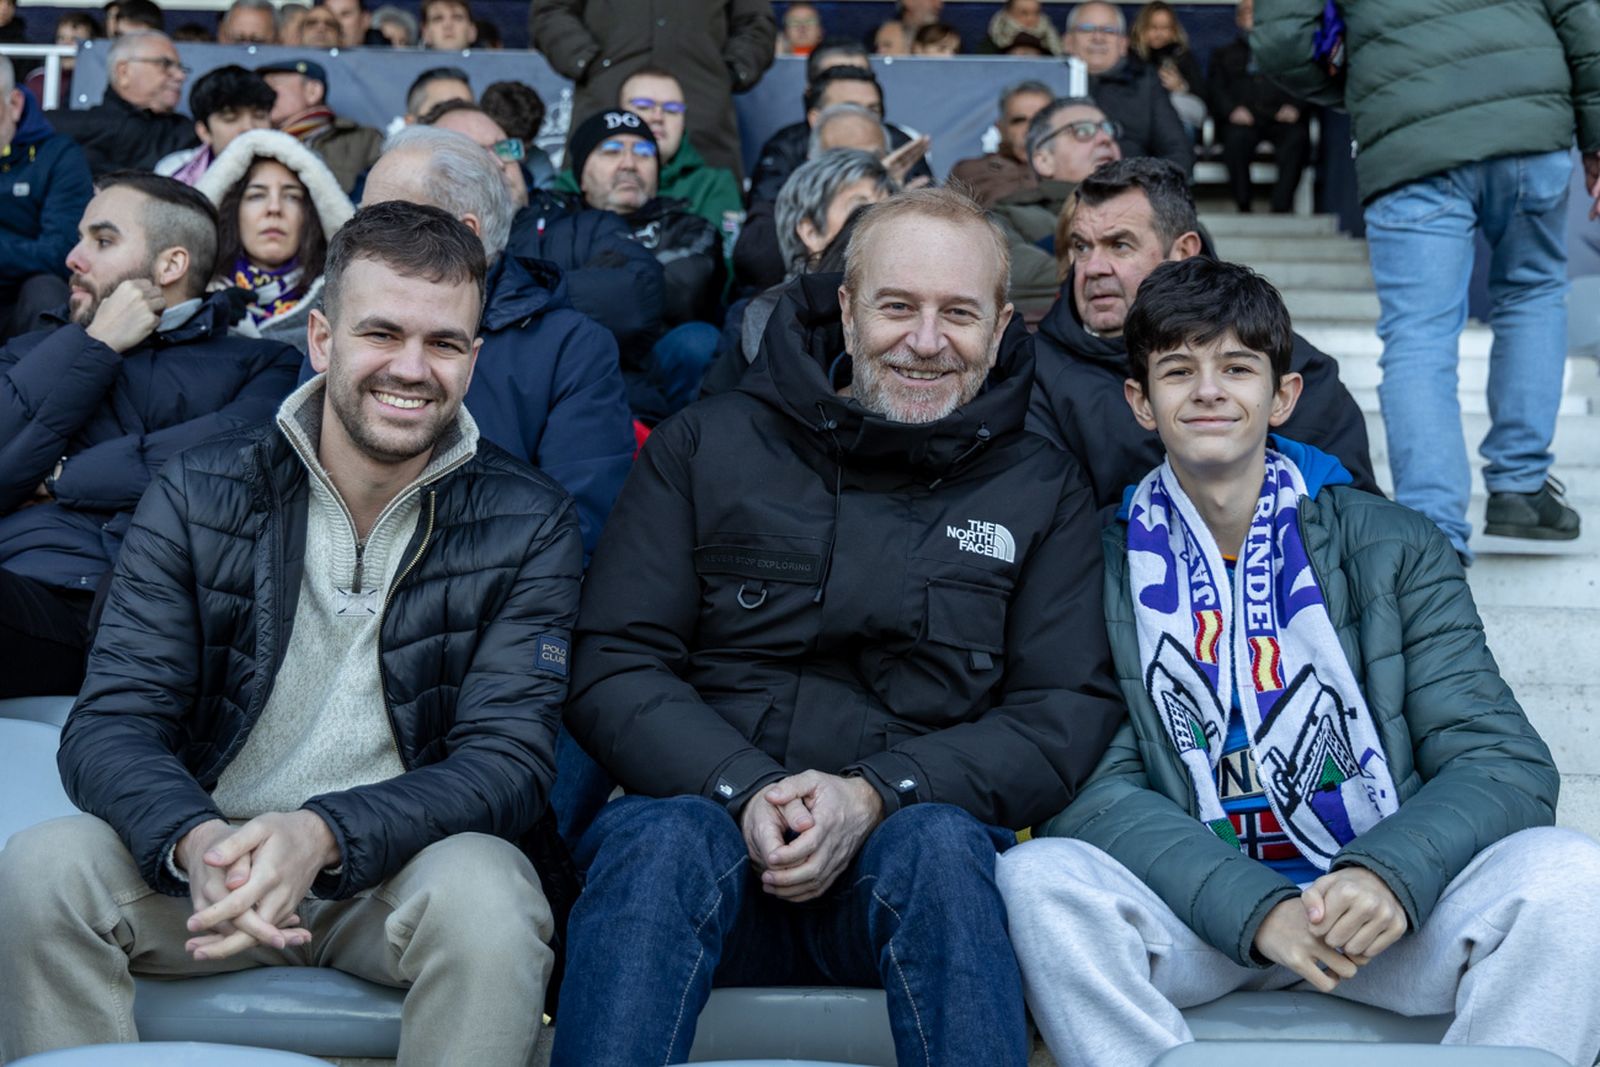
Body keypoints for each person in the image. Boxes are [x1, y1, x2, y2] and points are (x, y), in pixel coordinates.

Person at [551, 186, 1124, 1067]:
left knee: (940, 844)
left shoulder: (1041, 487)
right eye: (899, 306)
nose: (926, 341)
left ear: (1004, 326)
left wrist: (877, 794)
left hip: (909, 864)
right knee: (659, 838)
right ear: (849, 308)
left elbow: (1060, 714)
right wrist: (740, 786)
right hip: (703, 834)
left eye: (958, 314)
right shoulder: (707, 444)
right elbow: (616, 662)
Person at [0, 200, 582, 1066]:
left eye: (445, 343)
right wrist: (191, 838)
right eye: (382, 332)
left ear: (474, 356)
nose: (412, 368)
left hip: (393, 871)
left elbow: (509, 760)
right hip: (208, 860)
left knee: (495, 899)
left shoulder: (529, 520)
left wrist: (324, 834)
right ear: (320, 339)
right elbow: (112, 719)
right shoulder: (202, 489)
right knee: (41, 868)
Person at [999, 254, 1600, 1067]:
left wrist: (1388, 873)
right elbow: (1091, 788)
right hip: (1199, 921)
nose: (1208, 390)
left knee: (1569, 876)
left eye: (1237, 367)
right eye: (1178, 370)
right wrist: (1258, 909)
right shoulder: (1093, 561)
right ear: (1141, 401)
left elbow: (1500, 759)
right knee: (1040, 879)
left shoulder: (1391, 545)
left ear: (1282, 395)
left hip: (1379, 916)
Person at [1255, 0, 1596, 555]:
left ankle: (1434, 531)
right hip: (1529, 117)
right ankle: (1519, 483)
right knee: (1531, 292)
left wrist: (1376, 85)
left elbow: (1280, 39)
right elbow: (1584, 19)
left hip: (1409, 131)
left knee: (1419, 331)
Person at [0, 172, 301, 698]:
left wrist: (59, 475)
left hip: (143, 612)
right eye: (79, 239)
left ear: (170, 265)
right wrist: (96, 344)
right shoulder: (31, 351)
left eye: (103, 240)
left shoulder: (267, 364)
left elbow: (216, 470)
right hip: (23, 588)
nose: (73, 257)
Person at [1027, 157, 1375, 506]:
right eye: (1081, 247)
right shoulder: (1034, 371)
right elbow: (1052, 525)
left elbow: (1350, 518)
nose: (1093, 268)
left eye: (1120, 245)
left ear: (1183, 251)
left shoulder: (1291, 364)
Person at [364, 126, 635, 556]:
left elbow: (574, 532)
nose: (359, 243)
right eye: (360, 221)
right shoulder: (348, 325)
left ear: (464, 233)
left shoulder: (573, 350)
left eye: (387, 222)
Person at [570, 108, 724, 418]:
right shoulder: (556, 224)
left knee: (698, 341)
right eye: (612, 151)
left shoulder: (688, 226)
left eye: (643, 152)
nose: (629, 163)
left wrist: (591, 284)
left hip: (658, 364)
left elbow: (687, 288)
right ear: (581, 176)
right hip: (576, 362)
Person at [702, 148, 894, 395]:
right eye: (861, 209)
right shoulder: (761, 315)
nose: (879, 224)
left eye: (886, 209)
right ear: (810, 232)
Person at [530, 0, 777, 179]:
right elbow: (551, 10)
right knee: (586, 227)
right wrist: (587, 62)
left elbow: (757, 21)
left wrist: (726, 73)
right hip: (606, 106)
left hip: (702, 118)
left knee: (713, 228)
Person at [197, 129, 353, 350]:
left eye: (291, 196)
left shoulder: (339, 307)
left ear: (313, 212)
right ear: (231, 211)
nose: (274, 209)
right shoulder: (193, 302)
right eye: (257, 195)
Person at [994, 96, 1121, 317]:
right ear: (1044, 160)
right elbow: (1019, 280)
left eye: (1107, 129)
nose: (1105, 139)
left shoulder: (1158, 208)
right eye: (1082, 131)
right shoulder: (1005, 218)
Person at [0, 59, 93, 341]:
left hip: (22, 296)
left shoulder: (58, 155)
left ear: (14, 104)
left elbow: (62, 250)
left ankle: (40, 382)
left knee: (47, 292)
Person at [609, 67, 743, 238]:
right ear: (617, 114)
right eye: (643, 106)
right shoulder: (585, 178)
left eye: (672, 109)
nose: (657, 117)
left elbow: (720, 260)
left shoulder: (712, 185)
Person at [1062, 2, 1191, 176]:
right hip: (1060, 192)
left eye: (1108, 30)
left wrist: (1144, 189)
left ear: (1123, 44)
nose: (1098, 37)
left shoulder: (1146, 83)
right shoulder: (1048, 84)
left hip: (1130, 188)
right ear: (1068, 41)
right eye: (1087, 29)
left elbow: (1178, 151)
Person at [1207, 0, 1308, 213]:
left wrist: (1295, 106)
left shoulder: (1286, 51)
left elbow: (1304, 82)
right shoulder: (1224, 54)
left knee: (1297, 137)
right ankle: (1243, 204)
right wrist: (1231, 110)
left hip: (1279, 118)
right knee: (1235, 139)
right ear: (1238, 19)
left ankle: (1281, 207)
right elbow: (1215, 89)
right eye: (1247, 12)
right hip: (1243, 119)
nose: (1253, 16)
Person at [51, 31, 196, 176]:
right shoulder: (65, 127)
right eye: (165, 64)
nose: (180, 76)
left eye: (180, 68)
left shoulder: (190, 134)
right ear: (123, 72)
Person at [260, 59, 385, 195]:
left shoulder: (365, 140)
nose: (264, 97)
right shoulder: (258, 144)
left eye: (272, 88)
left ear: (313, 91)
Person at [154, 65, 277, 185]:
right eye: (231, 119)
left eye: (260, 116)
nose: (249, 128)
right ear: (204, 132)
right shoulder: (175, 171)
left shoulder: (289, 168)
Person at [950, 80, 1054, 208]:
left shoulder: (1073, 172)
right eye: (1019, 121)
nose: (1029, 129)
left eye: (1040, 120)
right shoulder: (969, 173)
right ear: (1000, 127)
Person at [1130, 1, 1207, 136]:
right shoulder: (1132, 57)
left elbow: (1203, 98)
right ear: (1142, 28)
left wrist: (1181, 87)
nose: (1159, 34)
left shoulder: (1182, 56)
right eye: (1153, 28)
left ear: (1173, 30)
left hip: (1177, 118)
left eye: (1165, 28)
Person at [481, 81, 557, 191]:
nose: (520, 155)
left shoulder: (539, 163)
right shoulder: (467, 154)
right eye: (509, 144)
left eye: (525, 147)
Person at [25, 13, 99, 109]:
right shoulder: (38, 80)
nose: (66, 44)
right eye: (61, 38)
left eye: (75, 39)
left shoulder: (102, 82)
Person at [982, 0, 1063, 54]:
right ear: (1008, 14)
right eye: (1024, 13)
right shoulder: (993, 41)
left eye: (1036, 13)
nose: (1031, 18)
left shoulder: (1051, 41)